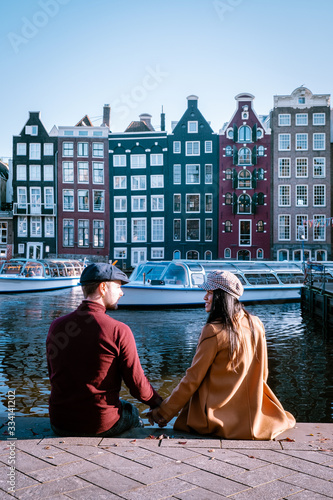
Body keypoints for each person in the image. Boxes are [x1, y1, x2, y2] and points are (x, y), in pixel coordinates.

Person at [148, 270, 295, 440]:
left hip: (215, 418)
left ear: (221, 297)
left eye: (209, 293)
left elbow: (192, 379)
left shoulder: (214, 330)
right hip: (252, 416)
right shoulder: (256, 323)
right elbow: (263, 372)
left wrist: (164, 412)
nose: (204, 297)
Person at [46, 262, 162, 437]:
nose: (122, 292)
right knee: (131, 411)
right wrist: (158, 404)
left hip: (59, 422)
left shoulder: (56, 326)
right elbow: (137, 385)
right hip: (100, 423)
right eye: (118, 287)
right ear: (102, 288)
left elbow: (53, 373)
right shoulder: (118, 330)